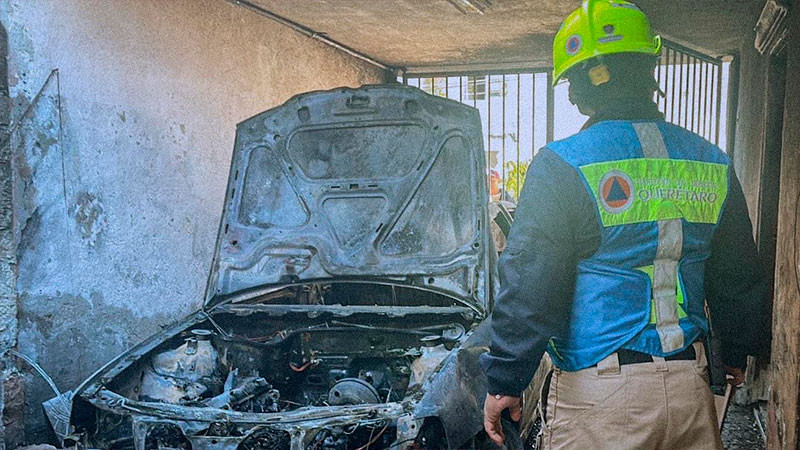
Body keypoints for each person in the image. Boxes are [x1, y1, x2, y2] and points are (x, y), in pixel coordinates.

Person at [478, 1, 768, 448]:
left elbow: (532, 280)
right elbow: (737, 271)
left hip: (601, 396)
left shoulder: (563, 165)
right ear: (649, 67)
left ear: (583, 83)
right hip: (690, 388)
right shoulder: (711, 161)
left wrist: (505, 379)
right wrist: (738, 347)